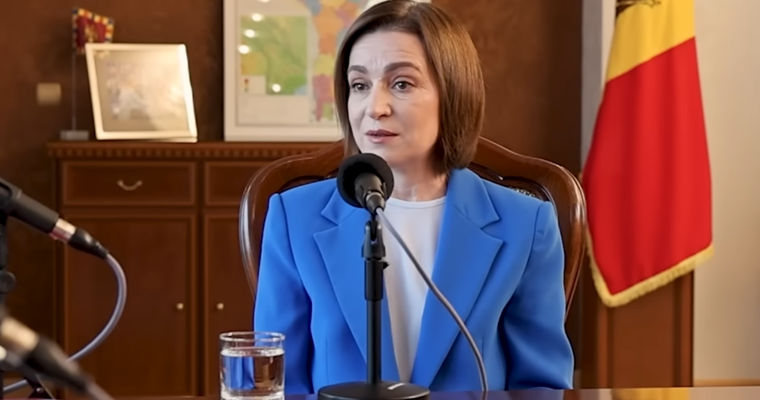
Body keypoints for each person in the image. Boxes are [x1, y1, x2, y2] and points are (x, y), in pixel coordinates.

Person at [253, 0, 573, 394]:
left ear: (453, 94)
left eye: (402, 84)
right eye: (359, 85)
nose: (375, 107)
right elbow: (276, 386)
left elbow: (540, 387)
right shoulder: (295, 218)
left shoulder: (525, 224)